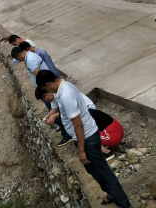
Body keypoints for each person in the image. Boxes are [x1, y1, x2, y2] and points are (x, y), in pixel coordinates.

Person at [37, 70, 133, 208]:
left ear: (48, 84)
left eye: (46, 89)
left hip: (87, 138)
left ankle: (125, 205)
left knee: (103, 173)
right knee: (94, 170)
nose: (48, 92)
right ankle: (112, 194)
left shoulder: (65, 96)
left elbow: (78, 124)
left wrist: (81, 150)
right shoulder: (66, 85)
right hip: (88, 136)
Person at [36, 87, 124, 160]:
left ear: (46, 95)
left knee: (81, 137)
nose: (45, 102)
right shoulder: (59, 93)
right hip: (114, 130)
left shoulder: (66, 99)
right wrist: (47, 116)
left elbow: (71, 115)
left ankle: (107, 152)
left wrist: (54, 116)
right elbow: (57, 110)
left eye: (44, 99)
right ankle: (104, 145)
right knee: (80, 136)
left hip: (114, 137)